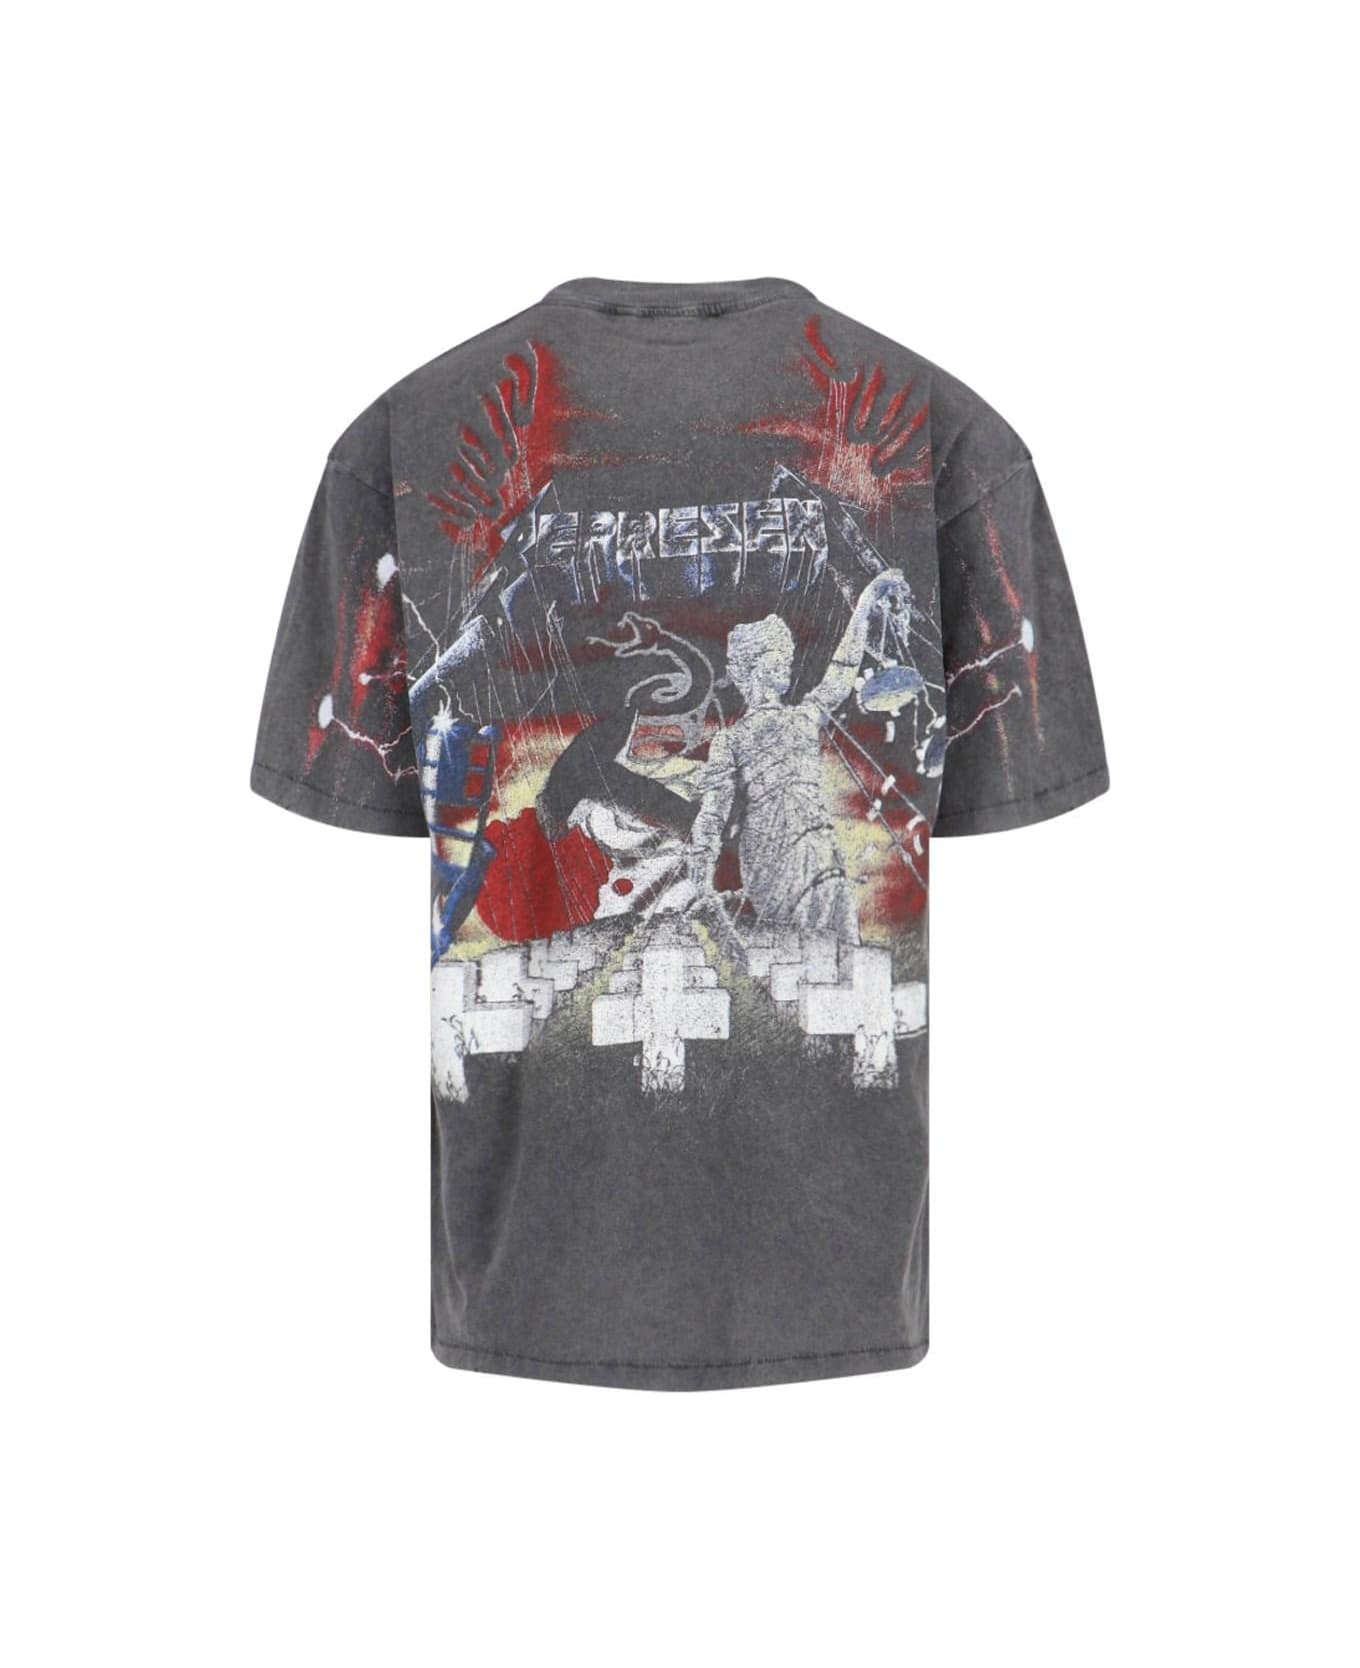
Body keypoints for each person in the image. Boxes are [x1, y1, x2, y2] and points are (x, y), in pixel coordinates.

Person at [689, 568, 911, 942]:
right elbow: (712, 814)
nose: (786, 662)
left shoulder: (805, 716)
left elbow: (841, 672)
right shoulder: (731, 741)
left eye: (787, 655)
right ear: (754, 666)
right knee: (795, 950)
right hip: (770, 851)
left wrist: (865, 603)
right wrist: (700, 877)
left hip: (819, 844)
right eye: (777, 656)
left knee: (844, 941)